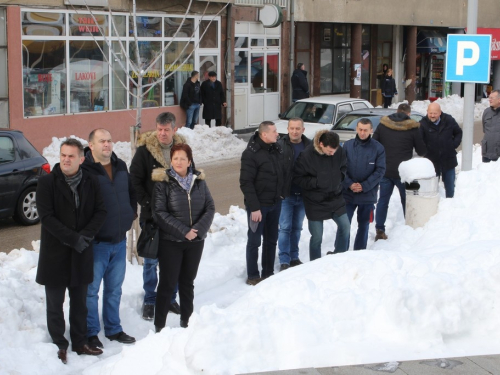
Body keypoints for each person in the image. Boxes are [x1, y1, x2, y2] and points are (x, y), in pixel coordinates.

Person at [36, 138, 106, 364]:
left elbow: (101, 211)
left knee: (80, 303)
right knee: (55, 304)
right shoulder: (47, 183)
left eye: (71, 156)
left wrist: (84, 237)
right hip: (55, 253)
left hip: (81, 251)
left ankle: (80, 341)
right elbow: (47, 218)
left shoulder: (91, 181)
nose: (66, 160)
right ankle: (59, 344)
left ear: (81, 159)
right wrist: (73, 239)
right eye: (63, 155)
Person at [82, 129, 137, 349]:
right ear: (91, 145)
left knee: (114, 289)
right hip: (97, 244)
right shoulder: (85, 170)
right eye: (102, 141)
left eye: (109, 140)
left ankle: (113, 329)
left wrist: (131, 213)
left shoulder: (121, 165)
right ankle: (91, 332)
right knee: (91, 291)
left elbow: (131, 193)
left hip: (119, 240)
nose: (107, 144)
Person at [152, 144, 215, 331]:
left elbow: (210, 207)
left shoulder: (199, 182)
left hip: (195, 242)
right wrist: (183, 231)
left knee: (187, 283)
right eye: (175, 158)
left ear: (189, 161)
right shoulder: (163, 183)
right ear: (170, 161)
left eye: (182, 158)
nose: (179, 162)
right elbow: (159, 212)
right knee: (167, 283)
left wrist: (197, 230)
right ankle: (159, 326)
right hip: (171, 242)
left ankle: (187, 321)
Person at [130, 112, 186, 321]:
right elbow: (134, 180)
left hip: (177, 217)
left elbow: (191, 176)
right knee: (152, 260)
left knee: (173, 260)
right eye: (159, 129)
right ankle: (150, 300)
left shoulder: (182, 151)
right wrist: (147, 203)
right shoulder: (145, 152)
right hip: (152, 217)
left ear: (174, 130)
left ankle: (170, 297)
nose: (162, 133)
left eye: (166, 130)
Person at [373, 103, 426, 240]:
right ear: (408, 114)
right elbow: (421, 150)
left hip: (385, 170)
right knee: (406, 200)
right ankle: (409, 228)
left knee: (383, 201)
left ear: (396, 111)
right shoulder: (412, 128)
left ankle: (379, 229)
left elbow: (374, 144)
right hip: (403, 172)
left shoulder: (383, 125)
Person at [293, 130, 350, 259]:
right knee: (317, 236)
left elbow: (344, 167)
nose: (333, 154)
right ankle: (315, 263)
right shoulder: (306, 155)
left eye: (334, 151)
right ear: (321, 144)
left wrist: (340, 177)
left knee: (345, 227)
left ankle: (339, 256)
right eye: (330, 151)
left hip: (335, 197)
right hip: (315, 201)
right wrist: (317, 182)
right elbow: (297, 178)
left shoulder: (338, 151)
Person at [240, 121, 284, 285]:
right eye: (274, 131)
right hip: (258, 207)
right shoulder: (251, 153)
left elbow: (280, 174)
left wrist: (281, 195)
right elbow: (246, 182)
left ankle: (268, 272)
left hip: (275, 203)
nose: (277, 134)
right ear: (264, 134)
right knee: (254, 241)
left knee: (272, 239)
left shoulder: (276, 149)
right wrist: (255, 208)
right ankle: (253, 276)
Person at [342, 118, 386, 250]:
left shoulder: (378, 148)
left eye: (365, 130)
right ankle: (341, 251)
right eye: (360, 129)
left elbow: (380, 170)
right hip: (348, 194)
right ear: (356, 129)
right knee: (344, 224)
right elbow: (341, 168)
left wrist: (364, 186)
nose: (362, 133)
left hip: (367, 195)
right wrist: (349, 184)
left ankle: (359, 251)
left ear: (371, 130)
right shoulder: (347, 146)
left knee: (364, 225)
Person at [277, 118, 311, 271]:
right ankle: (284, 259)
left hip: (303, 195)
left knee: (297, 227)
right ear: (288, 129)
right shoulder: (280, 145)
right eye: (292, 128)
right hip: (286, 195)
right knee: (285, 227)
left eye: (298, 128)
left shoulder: (310, 146)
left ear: (303, 130)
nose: (295, 131)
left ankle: (294, 257)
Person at [420, 102, 463, 198]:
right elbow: (419, 140)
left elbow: (458, 132)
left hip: (448, 160)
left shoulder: (449, 120)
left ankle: (450, 207)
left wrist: (453, 145)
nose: (432, 115)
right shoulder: (423, 123)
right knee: (432, 190)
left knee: (450, 188)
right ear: (427, 112)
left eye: (435, 113)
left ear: (440, 112)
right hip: (432, 162)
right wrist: (425, 151)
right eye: (430, 113)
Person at [481, 89, 500, 163]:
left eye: (492, 98)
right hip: (487, 153)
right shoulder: (486, 112)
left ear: (499, 99)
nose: (490, 100)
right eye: (489, 97)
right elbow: (484, 129)